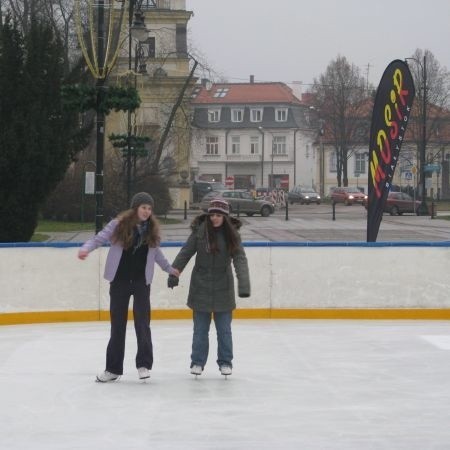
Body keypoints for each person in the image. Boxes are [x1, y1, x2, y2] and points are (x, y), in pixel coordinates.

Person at [78, 192, 179, 382]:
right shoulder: (118, 225)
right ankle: (113, 369)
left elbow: (157, 255)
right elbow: (99, 238)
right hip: (119, 281)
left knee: (143, 324)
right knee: (118, 325)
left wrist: (169, 269)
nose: (147, 212)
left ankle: (143, 364)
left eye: (149, 208)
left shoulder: (152, 230)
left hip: (141, 282)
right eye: (143, 207)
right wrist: (86, 248)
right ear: (135, 208)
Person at [170, 198, 250, 377]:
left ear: (225, 216)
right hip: (201, 286)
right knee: (200, 330)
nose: (214, 218)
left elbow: (239, 259)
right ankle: (197, 362)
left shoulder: (232, 235)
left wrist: (243, 283)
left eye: (218, 215)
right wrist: (174, 273)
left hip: (223, 287)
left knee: (224, 330)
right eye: (212, 214)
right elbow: (185, 253)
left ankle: (225, 362)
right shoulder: (200, 233)